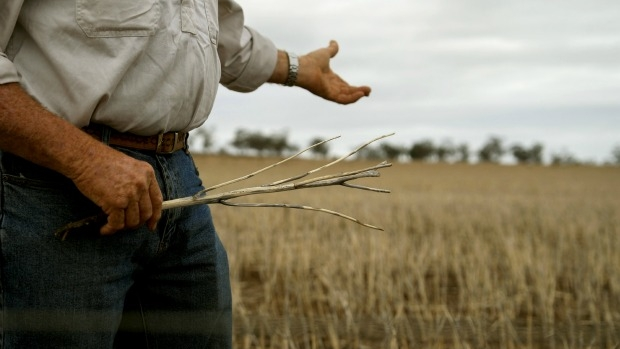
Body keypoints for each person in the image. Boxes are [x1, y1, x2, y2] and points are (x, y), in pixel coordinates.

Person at [0, 1, 370, 348]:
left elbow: (223, 41)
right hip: (55, 183)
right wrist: (85, 161)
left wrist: (297, 68)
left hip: (179, 178)